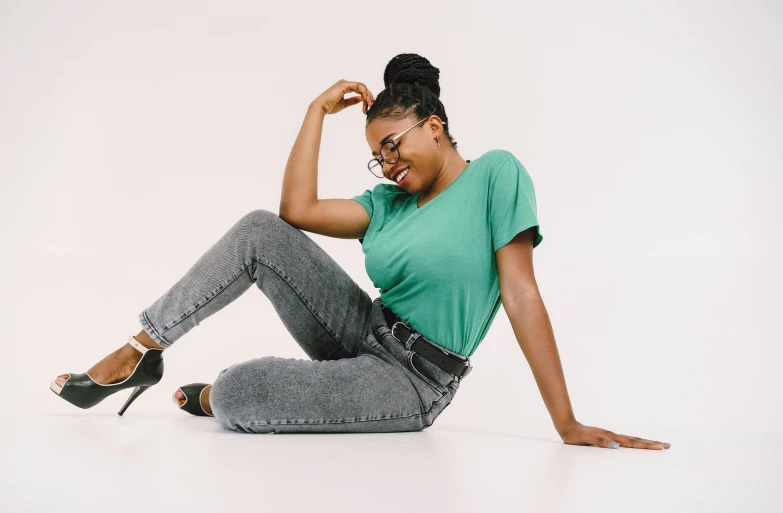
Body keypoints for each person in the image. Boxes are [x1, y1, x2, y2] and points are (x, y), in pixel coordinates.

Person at [49, 53, 670, 449]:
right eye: (379, 154)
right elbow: (293, 214)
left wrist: (567, 422)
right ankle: (140, 350)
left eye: (395, 145)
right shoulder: (386, 202)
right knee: (258, 229)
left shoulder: (496, 176)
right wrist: (316, 110)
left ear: (434, 124)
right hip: (365, 329)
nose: (388, 163)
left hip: (412, 379)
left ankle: (232, 394)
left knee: (236, 394)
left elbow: (521, 293)